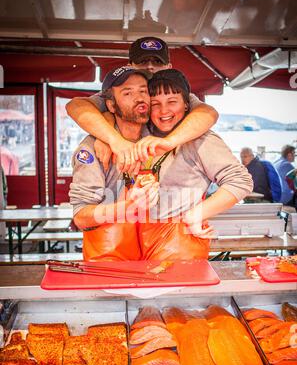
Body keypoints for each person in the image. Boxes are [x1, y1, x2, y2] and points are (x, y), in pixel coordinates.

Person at [136, 69, 253, 260]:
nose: (164, 111)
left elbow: (241, 181)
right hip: (143, 241)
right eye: (155, 104)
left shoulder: (201, 140)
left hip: (181, 243)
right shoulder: (145, 135)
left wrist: (196, 215)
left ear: (187, 105)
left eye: (172, 102)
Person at [66, 36, 218, 173]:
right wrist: (113, 139)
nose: (150, 66)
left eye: (157, 61)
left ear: (168, 66)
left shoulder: (175, 93)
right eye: (143, 61)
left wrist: (169, 142)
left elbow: (208, 113)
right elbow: (75, 106)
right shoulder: (121, 93)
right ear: (130, 65)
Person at [69, 66, 158, 261]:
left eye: (143, 91)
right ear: (110, 105)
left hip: (154, 261)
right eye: (128, 93)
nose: (140, 98)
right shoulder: (91, 149)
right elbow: (81, 217)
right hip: (109, 263)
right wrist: (129, 207)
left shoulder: (158, 138)